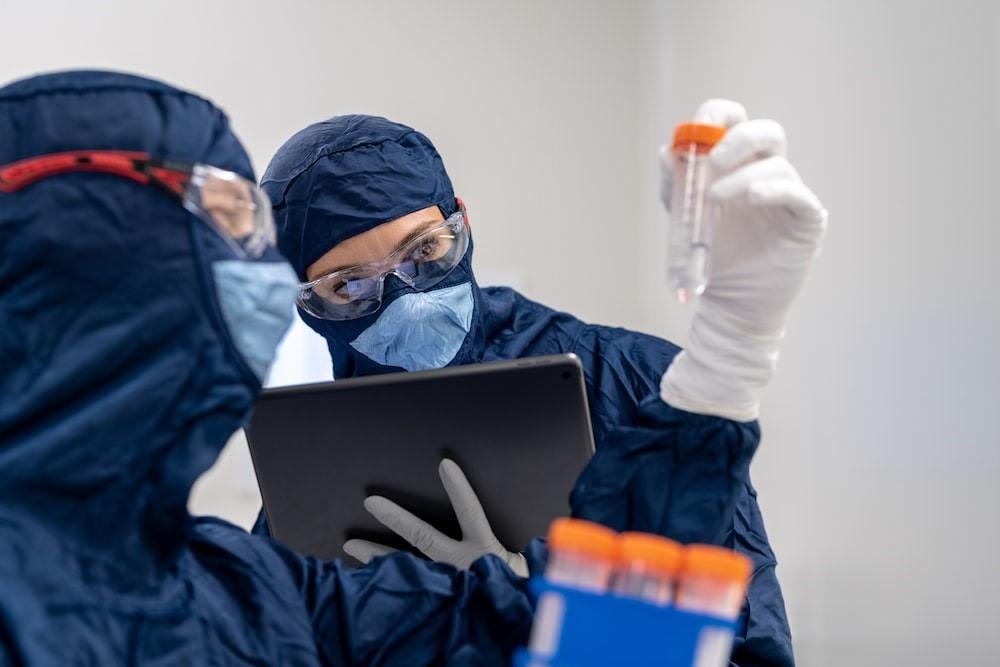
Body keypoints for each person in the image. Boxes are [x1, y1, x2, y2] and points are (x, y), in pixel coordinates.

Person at [0, 70, 556, 665]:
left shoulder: (226, 584)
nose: (266, 275)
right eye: (231, 224)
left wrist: (528, 602)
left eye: (255, 232)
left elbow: (426, 620)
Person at [255, 108, 827, 666]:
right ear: (309, 303)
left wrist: (528, 605)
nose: (407, 302)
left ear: (463, 225)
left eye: (425, 250)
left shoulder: (642, 386)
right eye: (349, 285)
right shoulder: (313, 460)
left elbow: (747, 648)